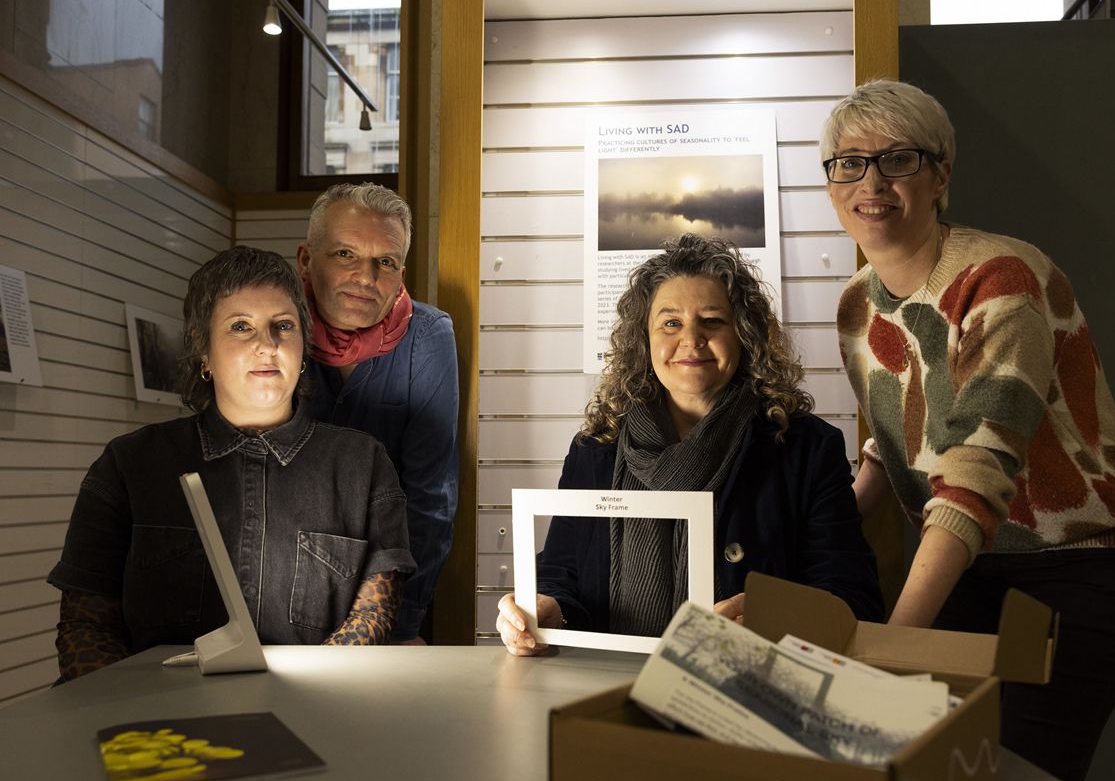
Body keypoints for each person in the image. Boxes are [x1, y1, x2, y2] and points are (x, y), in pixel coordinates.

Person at [821, 80, 1115, 781]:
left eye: (898, 160)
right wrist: (816, 536)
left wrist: (891, 640)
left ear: (941, 174)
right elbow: (894, 444)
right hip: (971, 564)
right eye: (849, 163)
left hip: (1075, 570)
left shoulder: (999, 278)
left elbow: (976, 470)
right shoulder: (857, 305)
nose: (871, 183)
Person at [497, 234, 883, 655]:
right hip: (605, 688)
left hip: (748, 692)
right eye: (671, 323)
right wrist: (547, 611)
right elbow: (561, 572)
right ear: (643, 341)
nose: (692, 339)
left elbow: (853, 597)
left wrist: (779, 617)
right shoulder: (595, 450)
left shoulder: (806, 449)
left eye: (713, 321)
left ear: (744, 335)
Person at [49, 247, 415, 682]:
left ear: (304, 347)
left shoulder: (363, 465)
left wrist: (312, 706)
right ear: (203, 351)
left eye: (283, 325)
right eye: (241, 327)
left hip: (316, 719)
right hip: (161, 727)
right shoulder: (128, 465)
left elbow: (374, 616)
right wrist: (132, 719)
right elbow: (85, 625)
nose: (267, 344)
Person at [297, 183, 458, 644]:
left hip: (390, 594)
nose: (365, 277)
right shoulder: (279, 332)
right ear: (307, 260)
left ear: (401, 273)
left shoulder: (428, 337)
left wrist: (402, 625)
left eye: (384, 262)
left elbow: (431, 498)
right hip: (284, 598)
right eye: (345, 254)